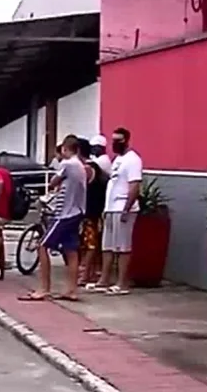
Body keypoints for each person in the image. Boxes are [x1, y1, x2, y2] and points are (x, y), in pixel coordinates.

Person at [19, 137, 87, 302]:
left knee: (42, 246)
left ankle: (44, 288)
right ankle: (71, 290)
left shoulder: (68, 164)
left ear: (65, 149)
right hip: (78, 211)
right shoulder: (81, 166)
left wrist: (53, 185)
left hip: (65, 213)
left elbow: (53, 182)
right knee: (71, 251)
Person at [88, 127, 143, 296]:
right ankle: (104, 280)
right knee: (108, 246)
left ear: (126, 140)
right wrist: (106, 208)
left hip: (123, 208)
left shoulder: (133, 160)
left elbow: (134, 186)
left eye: (118, 140)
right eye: (113, 140)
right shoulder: (118, 160)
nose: (115, 143)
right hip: (111, 208)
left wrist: (127, 208)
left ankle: (122, 283)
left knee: (123, 247)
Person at [78, 139, 108, 286]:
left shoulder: (86, 168)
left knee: (89, 242)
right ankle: (90, 271)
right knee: (90, 241)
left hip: (89, 211)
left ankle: (86, 274)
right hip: (94, 210)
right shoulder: (93, 166)